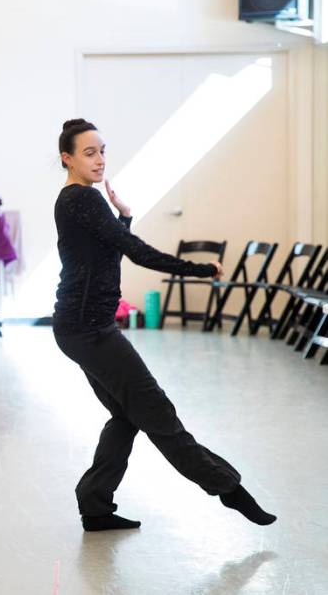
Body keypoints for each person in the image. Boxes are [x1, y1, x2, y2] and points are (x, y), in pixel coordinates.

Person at [51, 118, 276, 532]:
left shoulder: (76, 201)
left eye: (102, 151)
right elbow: (134, 253)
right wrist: (201, 270)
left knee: (126, 415)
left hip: (79, 327)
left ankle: (95, 507)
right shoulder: (82, 200)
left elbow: (108, 254)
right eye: (89, 153)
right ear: (67, 158)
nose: (100, 160)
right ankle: (230, 489)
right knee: (158, 413)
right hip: (90, 330)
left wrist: (125, 217)